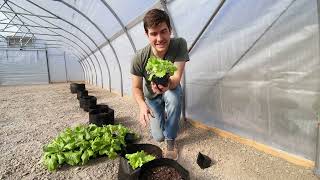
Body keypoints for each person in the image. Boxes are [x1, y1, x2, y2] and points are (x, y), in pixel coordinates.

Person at [130, 8, 189, 160]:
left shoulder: (180, 44)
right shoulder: (139, 57)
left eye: (163, 31)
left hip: (171, 88)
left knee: (174, 99)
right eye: (153, 34)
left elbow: (176, 77)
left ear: (170, 30)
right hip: (152, 98)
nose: (159, 38)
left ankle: (171, 141)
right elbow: (136, 87)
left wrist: (168, 85)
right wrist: (142, 105)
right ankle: (164, 117)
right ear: (147, 34)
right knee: (158, 137)